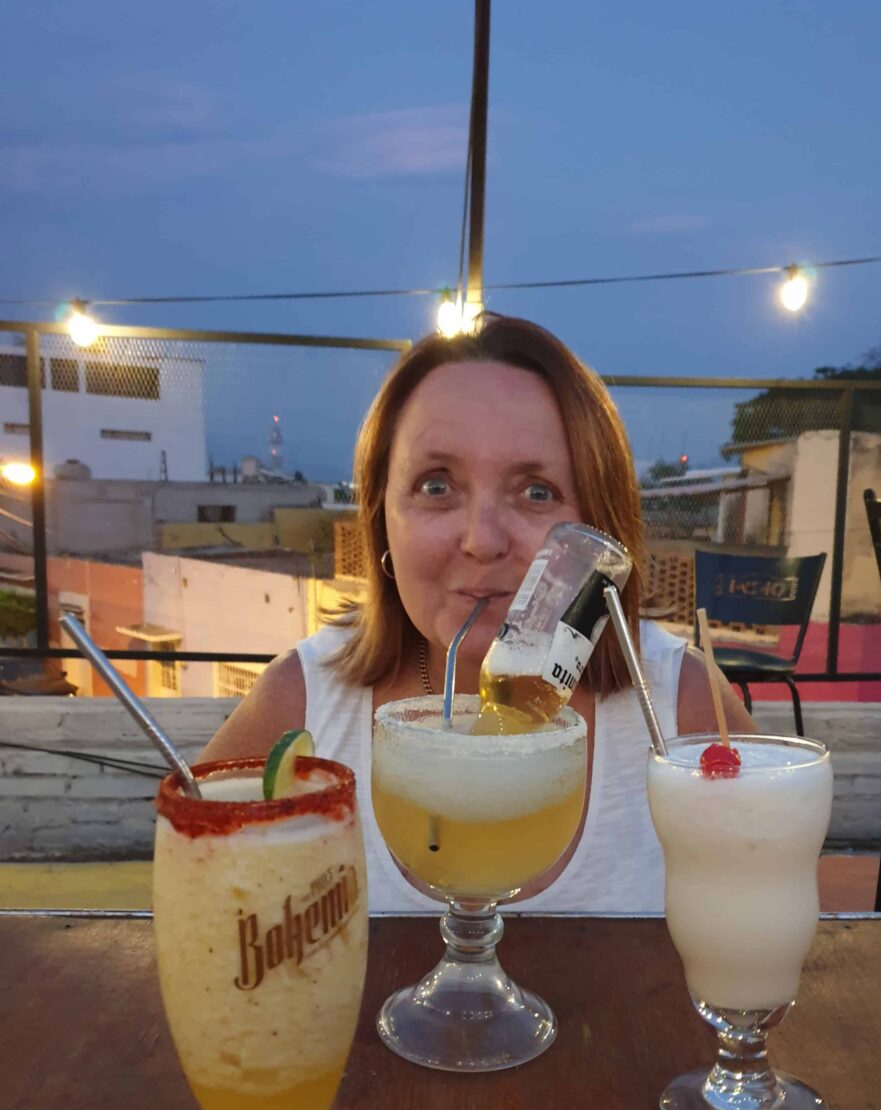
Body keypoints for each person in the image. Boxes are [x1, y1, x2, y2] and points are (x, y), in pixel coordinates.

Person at [201, 314, 753, 912]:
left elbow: (764, 944)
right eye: (437, 486)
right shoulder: (297, 701)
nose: (481, 540)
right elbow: (197, 906)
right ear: (381, 514)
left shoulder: (683, 704)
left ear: (600, 524)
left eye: (536, 491)